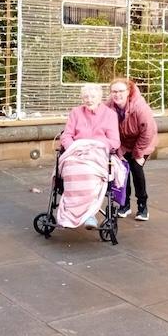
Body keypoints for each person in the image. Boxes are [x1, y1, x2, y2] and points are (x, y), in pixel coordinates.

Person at [58, 84, 121, 229]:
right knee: (72, 171)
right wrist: (74, 147)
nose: (89, 99)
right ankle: (69, 214)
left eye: (93, 96)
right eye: (86, 96)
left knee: (89, 174)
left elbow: (115, 141)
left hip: (98, 154)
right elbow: (67, 136)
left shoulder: (109, 114)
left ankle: (89, 214)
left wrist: (96, 145)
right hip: (76, 152)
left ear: (100, 98)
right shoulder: (75, 112)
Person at [106, 77, 157, 221]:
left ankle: (142, 206)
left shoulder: (140, 107)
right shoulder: (109, 107)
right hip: (123, 143)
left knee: (136, 168)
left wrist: (139, 153)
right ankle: (125, 204)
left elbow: (148, 132)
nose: (117, 94)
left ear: (128, 91)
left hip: (142, 142)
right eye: (114, 91)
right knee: (122, 171)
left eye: (121, 91)